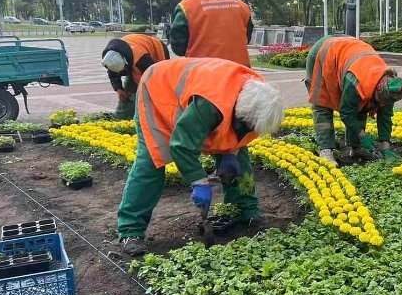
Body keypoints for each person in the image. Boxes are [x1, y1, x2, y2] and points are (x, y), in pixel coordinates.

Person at [116, 58, 284, 256]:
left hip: (206, 96)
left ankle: (245, 211)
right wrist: (199, 182)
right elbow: (181, 145)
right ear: (241, 113)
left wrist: (231, 153)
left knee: (240, 161)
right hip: (159, 93)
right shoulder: (211, 105)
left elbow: (240, 131)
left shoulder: (261, 97)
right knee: (151, 164)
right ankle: (131, 231)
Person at [304, 35, 402, 166]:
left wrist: (386, 148)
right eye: (380, 103)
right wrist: (363, 137)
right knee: (322, 104)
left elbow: (385, 117)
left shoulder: (389, 86)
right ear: (376, 90)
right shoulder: (356, 82)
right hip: (323, 54)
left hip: (347, 54)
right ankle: (325, 149)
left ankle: (356, 148)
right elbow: (347, 112)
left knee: (363, 106)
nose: (382, 106)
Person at [169, 0, 253, 65]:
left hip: (205, 74)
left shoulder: (186, 7)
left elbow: (178, 47)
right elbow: (247, 38)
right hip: (239, 74)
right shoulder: (241, 6)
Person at [101, 34, 170, 119]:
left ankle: (159, 118)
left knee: (154, 92)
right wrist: (119, 89)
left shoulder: (142, 59)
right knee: (128, 94)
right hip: (133, 55)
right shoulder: (111, 57)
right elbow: (112, 73)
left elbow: (155, 78)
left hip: (157, 50)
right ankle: (122, 119)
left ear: (126, 63)